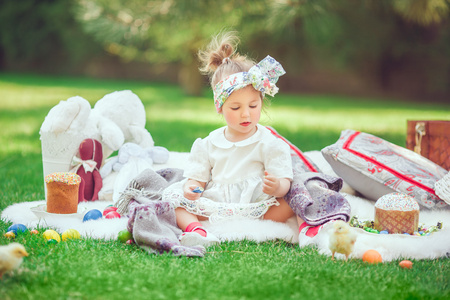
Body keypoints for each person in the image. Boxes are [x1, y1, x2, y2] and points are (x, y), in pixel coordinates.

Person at [163, 32, 308, 247]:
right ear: (220, 107)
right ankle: (197, 229)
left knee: (296, 197)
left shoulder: (268, 142)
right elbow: (198, 178)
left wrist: (277, 186)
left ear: (261, 101)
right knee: (173, 199)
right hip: (217, 203)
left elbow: (284, 180)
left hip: (258, 203)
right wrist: (192, 188)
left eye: (253, 105)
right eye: (236, 107)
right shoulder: (210, 143)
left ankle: (264, 223)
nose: (246, 114)